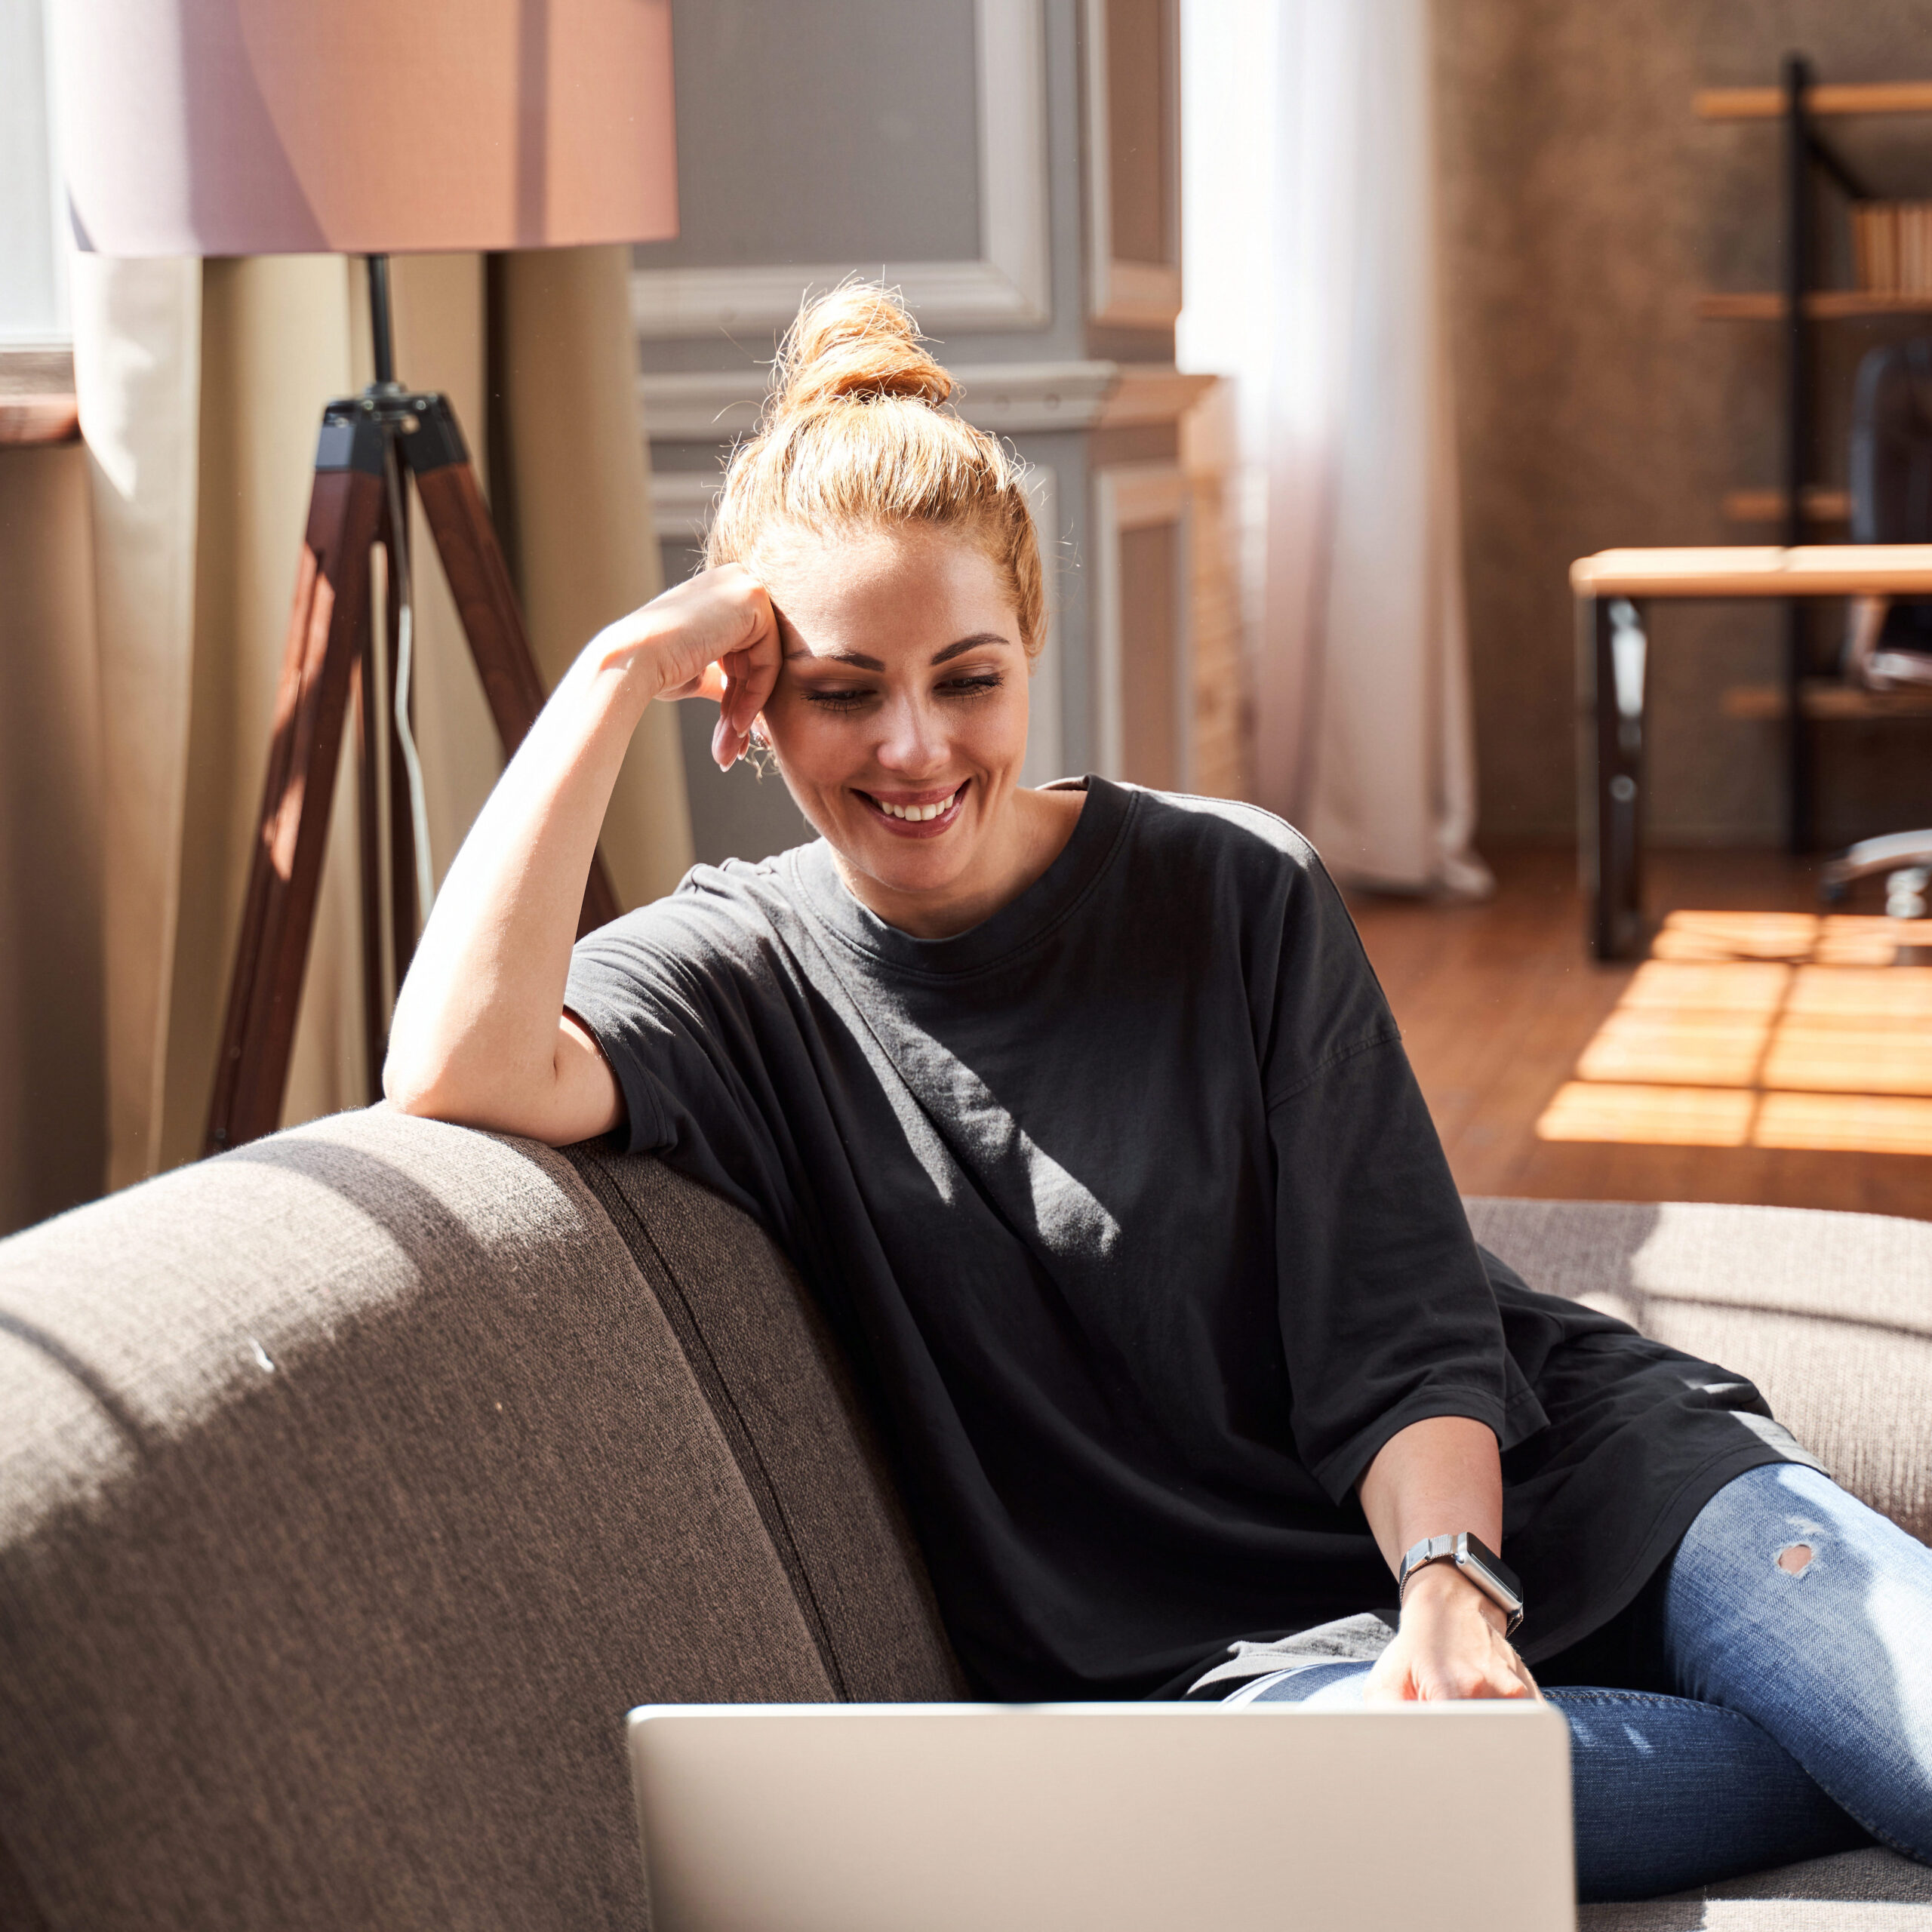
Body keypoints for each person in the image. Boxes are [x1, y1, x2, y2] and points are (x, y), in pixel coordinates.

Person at [386, 285, 1932, 1902]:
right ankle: (1784, 1719)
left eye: (965, 678)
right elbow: (451, 1063)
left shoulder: (1232, 887)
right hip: (1251, 1679)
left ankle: (1801, 1695)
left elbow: (1399, 1322)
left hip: (1584, 1495)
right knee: (1383, 1813)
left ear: (1030, 652)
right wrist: (610, 674)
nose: (913, 750)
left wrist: (1455, 1585)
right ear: (751, 699)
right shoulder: (735, 976)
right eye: (843, 689)